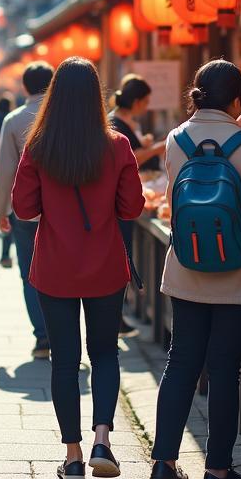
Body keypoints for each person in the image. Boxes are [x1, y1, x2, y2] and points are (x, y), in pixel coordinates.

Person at [150, 59, 241, 479]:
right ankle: (218, 472)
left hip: (189, 267)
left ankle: (163, 462)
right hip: (239, 273)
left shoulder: (175, 140)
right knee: (225, 369)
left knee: (181, 362)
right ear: (238, 100)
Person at [12, 57, 145, 479]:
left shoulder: (38, 147)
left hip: (54, 268)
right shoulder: (118, 145)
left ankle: (72, 456)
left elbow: (23, 207)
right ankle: (102, 440)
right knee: (105, 352)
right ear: (96, 97)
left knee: (64, 362)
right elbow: (133, 207)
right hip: (105, 265)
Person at [0, 60, 54, 359]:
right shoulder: (64, 116)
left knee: (30, 273)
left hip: (26, 210)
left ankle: (42, 338)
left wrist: (2, 209)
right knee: (64, 271)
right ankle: (63, 333)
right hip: (64, 210)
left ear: (25, 87)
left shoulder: (15, 120)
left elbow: (6, 170)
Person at [109, 74, 165, 331]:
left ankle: (118, 314)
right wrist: (156, 148)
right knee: (121, 257)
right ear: (137, 100)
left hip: (128, 197)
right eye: (146, 101)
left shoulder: (122, 121)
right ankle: (115, 315)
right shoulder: (115, 124)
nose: (147, 106)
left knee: (124, 257)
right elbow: (131, 157)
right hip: (122, 201)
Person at [0, 93, 15, 269]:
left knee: (9, 215)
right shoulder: (18, 119)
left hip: (6, 168)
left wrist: (0, 208)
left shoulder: (6, 120)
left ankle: (5, 255)